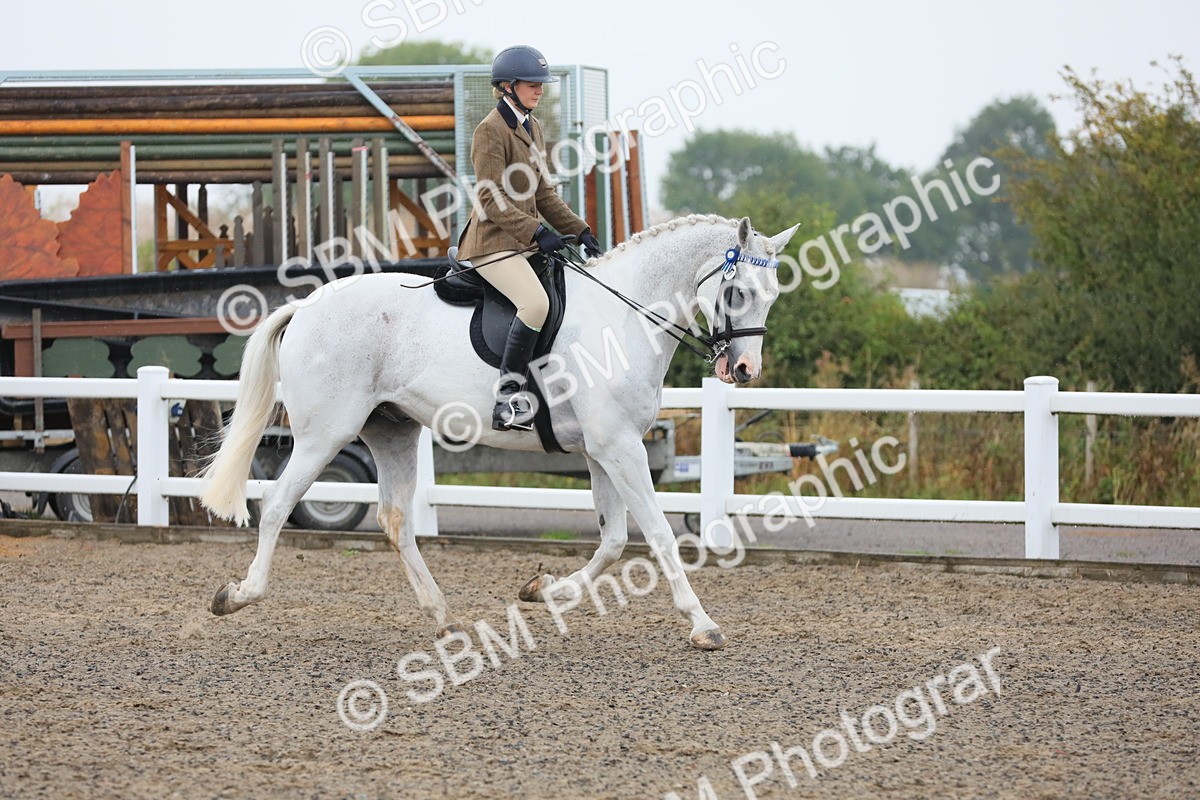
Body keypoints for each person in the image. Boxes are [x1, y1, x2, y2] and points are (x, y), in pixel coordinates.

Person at [456, 44, 604, 432]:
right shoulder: (489, 130)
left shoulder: (532, 127)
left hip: (522, 242)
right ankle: (507, 399)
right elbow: (490, 198)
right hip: (492, 242)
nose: (540, 89)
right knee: (535, 303)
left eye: (541, 84)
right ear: (508, 86)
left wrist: (581, 230)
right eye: (532, 83)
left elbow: (543, 194)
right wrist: (537, 231)